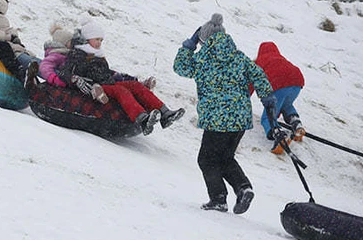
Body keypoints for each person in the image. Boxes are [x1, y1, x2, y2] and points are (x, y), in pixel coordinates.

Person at [173, 13, 277, 214]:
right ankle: (243, 188)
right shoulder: (238, 56)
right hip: (239, 118)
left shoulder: (202, 59)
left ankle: (218, 199)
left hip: (217, 119)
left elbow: (180, 67)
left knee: (206, 159)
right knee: (225, 157)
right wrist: (268, 99)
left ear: (203, 40)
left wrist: (189, 44)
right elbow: (258, 75)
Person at [53, 19, 186, 135]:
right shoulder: (78, 54)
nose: (99, 43)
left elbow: (109, 72)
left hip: (108, 83)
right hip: (97, 87)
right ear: (87, 39)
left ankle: (165, 114)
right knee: (121, 91)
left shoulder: (97, 54)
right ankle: (142, 119)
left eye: (101, 40)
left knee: (135, 86)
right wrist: (76, 80)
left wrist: (129, 79)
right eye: (96, 39)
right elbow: (65, 72)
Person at [254, 42, 306, 154]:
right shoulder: (280, 58)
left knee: (267, 117)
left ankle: (279, 136)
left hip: (279, 83)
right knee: (286, 105)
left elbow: (249, 85)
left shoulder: (258, 62)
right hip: (297, 81)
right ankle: (296, 124)